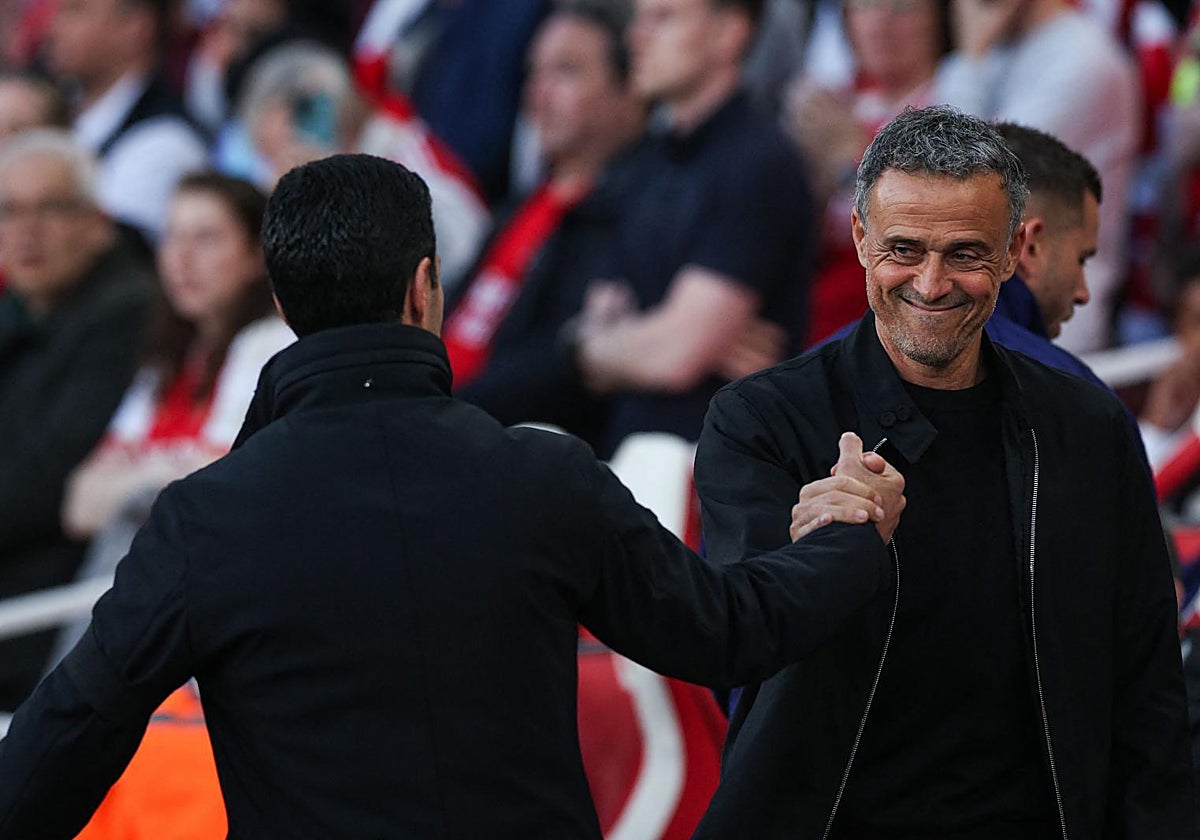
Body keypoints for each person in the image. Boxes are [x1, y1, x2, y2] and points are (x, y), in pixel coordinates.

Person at [0, 153, 906, 837]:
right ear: (426, 287)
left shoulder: (203, 520)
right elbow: (732, 629)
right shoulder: (544, 477)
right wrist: (850, 531)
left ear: (280, 302)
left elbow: (66, 736)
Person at [692, 106, 1194, 837]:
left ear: (1013, 250)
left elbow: (1147, 690)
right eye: (903, 248)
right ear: (860, 240)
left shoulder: (1087, 428)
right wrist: (833, 551)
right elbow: (735, 652)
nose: (931, 284)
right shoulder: (762, 419)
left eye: (964, 253)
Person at [574, 0, 814, 456]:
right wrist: (606, 342)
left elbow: (674, 357)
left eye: (663, 18)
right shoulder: (648, 161)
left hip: (712, 474)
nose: (636, 37)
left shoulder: (760, 164)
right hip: (630, 452)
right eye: (639, 18)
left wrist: (619, 339)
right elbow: (594, 317)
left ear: (729, 35)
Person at [446, 0, 645, 448]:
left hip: (505, 446)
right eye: (535, 73)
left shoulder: (636, 210)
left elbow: (559, 367)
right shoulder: (518, 205)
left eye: (566, 72)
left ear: (631, 85)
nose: (539, 94)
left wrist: (445, 406)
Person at [0, 129, 153, 712]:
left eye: (51, 209)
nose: (27, 231)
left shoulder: (126, 311)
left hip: (50, 608)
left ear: (97, 223)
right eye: (10, 211)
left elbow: (48, 475)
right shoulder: (18, 313)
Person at [61, 173, 293, 547]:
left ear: (255, 255)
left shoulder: (272, 345)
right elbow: (80, 505)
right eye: (172, 236)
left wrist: (140, 474)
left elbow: (232, 486)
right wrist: (167, 475)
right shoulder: (167, 362)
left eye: (206, 238)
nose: (181, 259)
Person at [935, 0, 1139, 353]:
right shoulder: (994, 45)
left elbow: (963, 174)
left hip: (1058, 321)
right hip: (989, 303)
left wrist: (969, 60)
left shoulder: (1084, 61)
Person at [44, 0, 209, 244]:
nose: (54, 29)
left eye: (77, 10)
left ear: (135, 26)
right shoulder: (61, 116)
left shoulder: (164, 144)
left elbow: (102, 253)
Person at [985, 122, 1106, 386]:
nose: (1082, 294)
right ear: (1030, 246)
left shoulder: (880, 356)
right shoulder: (1072, 393)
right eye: (1081, 259)